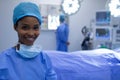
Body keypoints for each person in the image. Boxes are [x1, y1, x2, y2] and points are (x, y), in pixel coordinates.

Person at [0, 2, 57, 80]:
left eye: (35, 28)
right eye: (25, 27)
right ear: (15, 27)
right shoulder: (3, 59)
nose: (31, 33)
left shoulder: (44, 59)